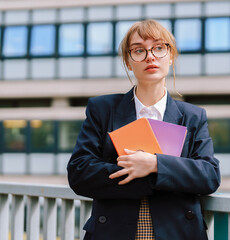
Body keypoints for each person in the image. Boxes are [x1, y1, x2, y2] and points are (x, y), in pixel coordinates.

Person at [67, 19, 221, 240]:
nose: (150, 56)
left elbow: (209, 176)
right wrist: (149, 176)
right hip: (113, 232)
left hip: (177, 233)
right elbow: (80, 173)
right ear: (128, 62)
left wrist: (155, 164)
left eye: (159, 48)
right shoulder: (102, 109)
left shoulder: (193, 116)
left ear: (171, 56)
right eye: (138, 50)